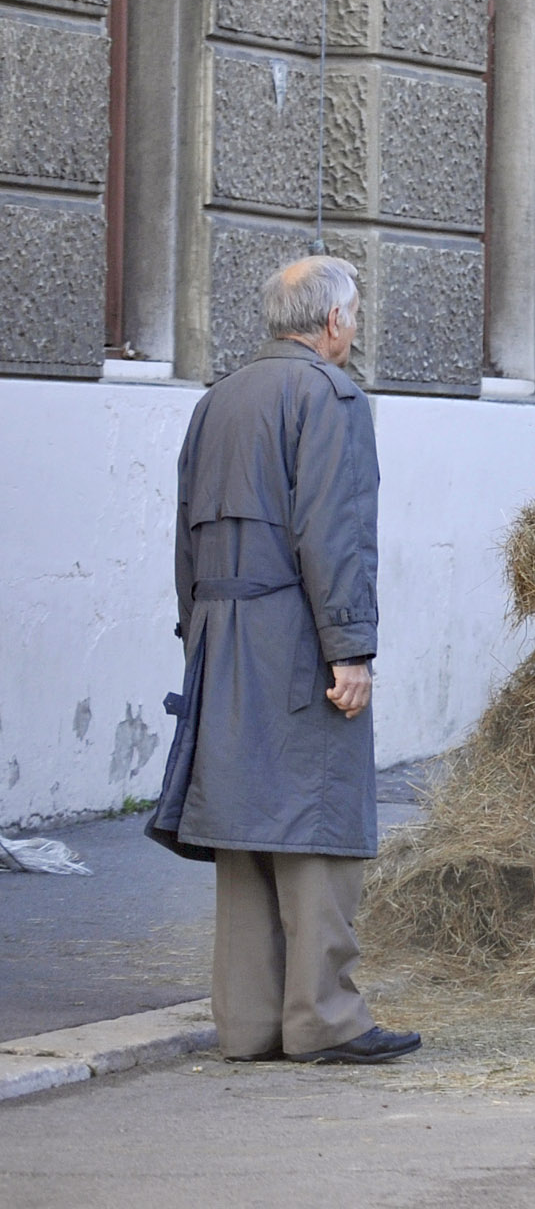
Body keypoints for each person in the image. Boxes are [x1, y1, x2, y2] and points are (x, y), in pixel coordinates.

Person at [147, 257, 420, 1066]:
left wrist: (196, 629)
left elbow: (184, 531)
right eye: (356, 314)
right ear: (332, 321)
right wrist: (351, 648)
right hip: (294, 628)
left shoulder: (217, 397)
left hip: (218, 627)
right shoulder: (330, 395)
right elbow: (334, 534)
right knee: (319, 817)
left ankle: (250, 1023)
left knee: (243, 823)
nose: (356, 328)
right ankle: (323, 1018)